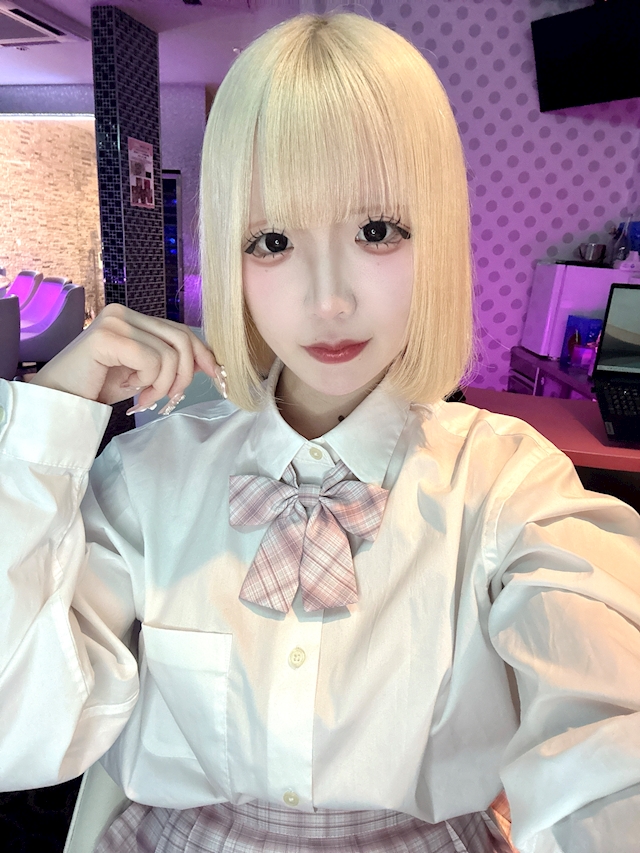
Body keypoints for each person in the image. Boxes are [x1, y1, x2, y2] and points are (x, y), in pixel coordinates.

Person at [1, 12, 639, 853]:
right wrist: (50, 416)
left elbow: (608, 732)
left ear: (437, 233)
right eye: (272, 241)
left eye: (376, 231)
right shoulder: (150, 476)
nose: (328, 298)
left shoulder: (507, 485)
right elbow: (15, 729)